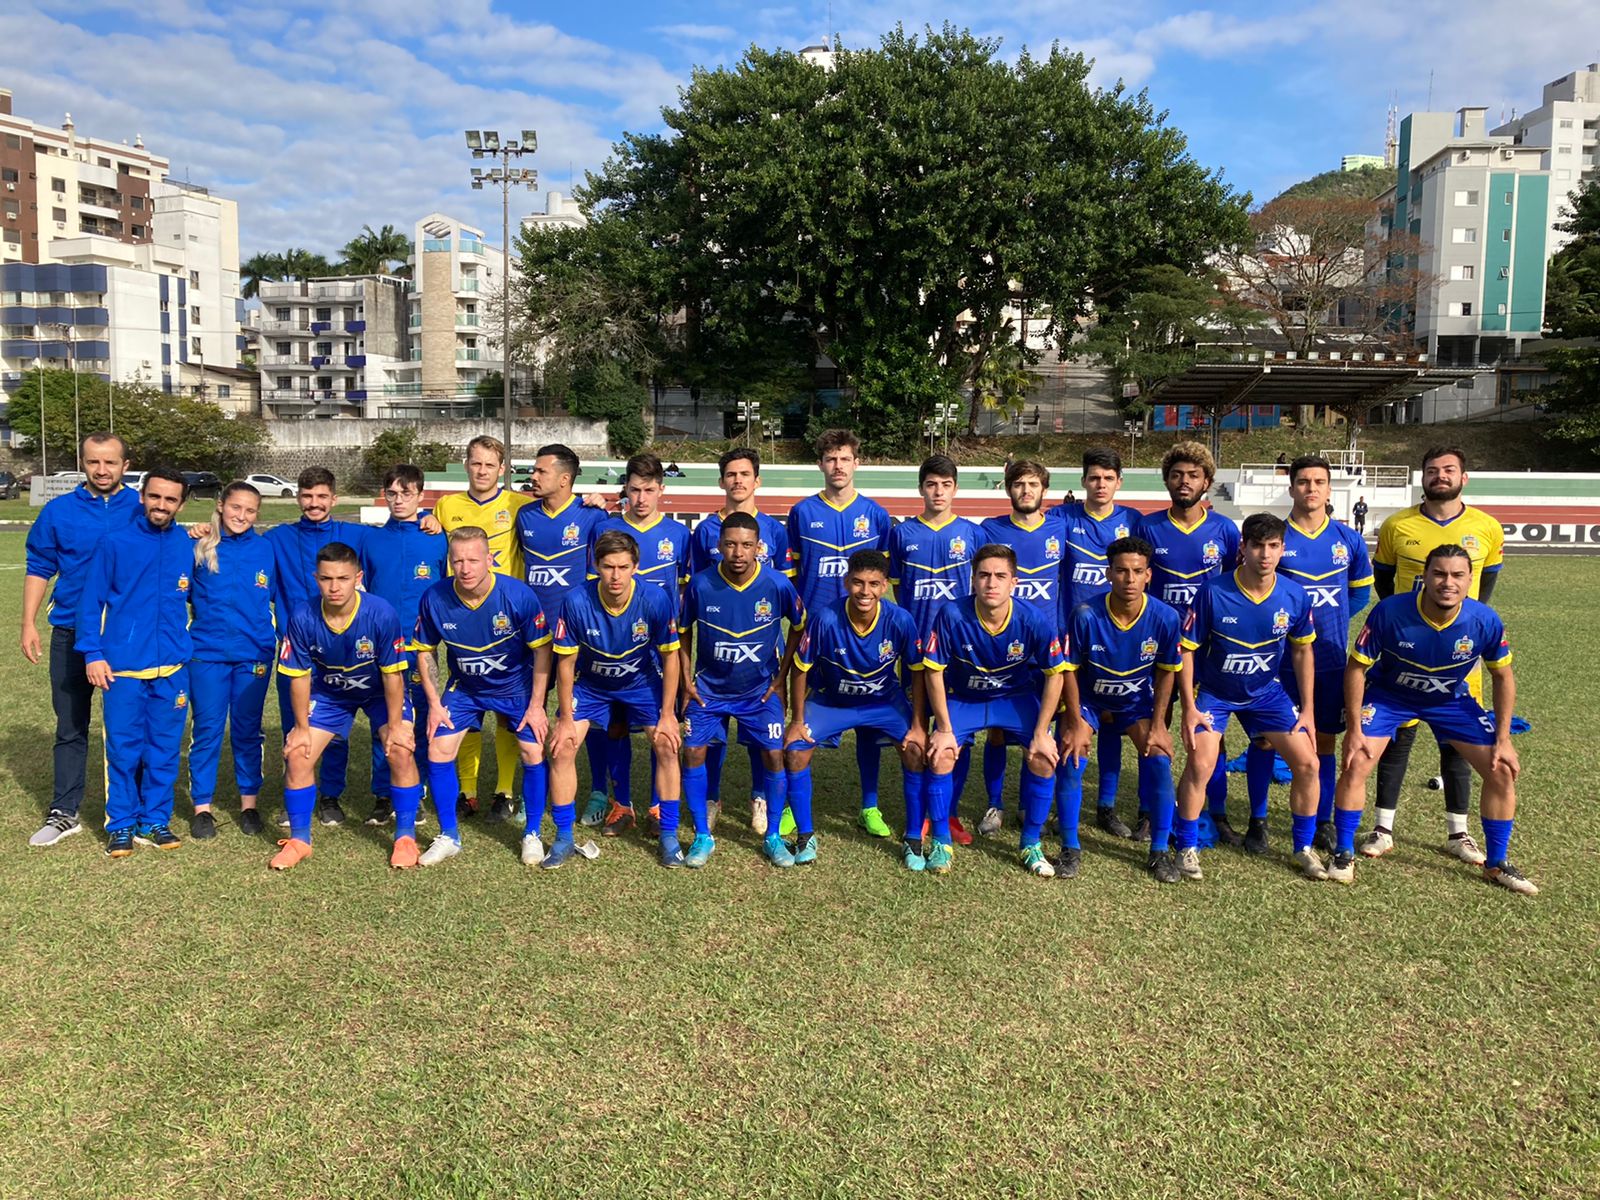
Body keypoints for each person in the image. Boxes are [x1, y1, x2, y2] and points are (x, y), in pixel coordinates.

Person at [1328, 545, 1533, 893]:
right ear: (1425, 576)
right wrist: (1356, 729)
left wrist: (1503, 739)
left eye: (1457, 575)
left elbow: (1504, 677)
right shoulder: (1390, 612)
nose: (1447, 582)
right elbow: (1357, 667)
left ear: (1470, 580)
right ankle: (1343, 852)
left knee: (1501, 770)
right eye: (1439, 573)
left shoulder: (1484, 620)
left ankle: (1497, 864)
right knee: (1356, 760)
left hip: (1450, 701)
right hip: (1390, 696)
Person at [1362, 446, 1505, 863]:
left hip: (1460, 656)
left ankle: (1459, 834)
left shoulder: (1487, 528)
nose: (1440, 476)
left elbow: (1486, 586)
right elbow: (1384, 583)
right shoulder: (1396, 525)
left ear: (1464, 477)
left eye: (1448, 470)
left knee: (1457, 747)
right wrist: (1410, 625)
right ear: (1421, 477)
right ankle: (1382, 827)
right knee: (1396, 741)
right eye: (1432, 471)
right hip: (1405, 652)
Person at [1174, 513, 1323, 882]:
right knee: (1201, 764)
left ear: (1283, 549)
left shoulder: (1294, 594)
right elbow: (1187, 649)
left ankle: (1303, 847)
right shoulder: (1213, 591)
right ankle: (1185, 847)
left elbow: (1303, 652)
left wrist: (1307, 710)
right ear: (1243, 548)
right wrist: (1190, 707)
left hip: (1267, 694)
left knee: (1308, 764)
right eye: (1257, 545)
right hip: (1216, 694)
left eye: (1273, 546)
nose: (1265, 554)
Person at [1242, 456, 1372, 855]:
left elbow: (1360, 592)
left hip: (1330, 659)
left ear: (1330, 488)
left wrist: (1323, 625)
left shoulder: (1347, 540)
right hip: (1279, 661)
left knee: (1325, 742)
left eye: (1319, 481)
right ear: (1291, 487)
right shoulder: (1277, 538)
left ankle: (1322, 821)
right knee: (1265, 741)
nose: (1311, 488)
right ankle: (1258, 821)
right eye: (1303, 481)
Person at [271, 542, 422, 871]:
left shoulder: (380, 613)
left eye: (342, 578)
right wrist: (299, 728)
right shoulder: (302, 615)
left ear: (358, 577)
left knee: (398, 748)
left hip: (380, 692)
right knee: (298, 753)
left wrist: (396, 726)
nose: (334, 586)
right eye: (326, 579)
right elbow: (297, 677)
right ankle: (299, 841)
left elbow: (394, 675)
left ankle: (406, 836)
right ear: (316, 578)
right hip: (331, 694)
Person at [22, 432, 140, 847]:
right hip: (71, 631)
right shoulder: (59, 512)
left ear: (125, 464)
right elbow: (39, 566)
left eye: (110, 462)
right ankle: (64, 812)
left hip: (126, 636)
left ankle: (136, 809)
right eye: (94, 462)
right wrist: (28, 623)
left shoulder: (143, 507)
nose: (102, 470)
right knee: (71, 725)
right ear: (83, 463)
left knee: (129, 726)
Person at [922, 544, 1069, 877]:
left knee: (1044, 758)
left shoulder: (1032, 618)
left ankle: (1031, 843)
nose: (992, 583)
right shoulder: (951, 615)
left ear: (1013, 582)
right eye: (984, 575)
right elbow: (933, 671)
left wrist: (1042, 732)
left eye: (1000, 576)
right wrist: (943, 727)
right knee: (942, 753)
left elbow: (1055, 674)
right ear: (973, 580)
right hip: (965, 698)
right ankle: (942, 842)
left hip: (1013, 698)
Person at [413, 528, 553, 868]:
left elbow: (543, 650)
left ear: (490, 559)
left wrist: (536, 706)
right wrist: (434, 704)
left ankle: (532, 833)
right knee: (438, 746)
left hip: (515, 686)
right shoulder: (434, 597)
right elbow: (425, 651)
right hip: (466, 688)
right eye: (457, 560)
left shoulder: (517, 596)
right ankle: (449, 836)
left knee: (532, 748)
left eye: (473, 559)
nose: (465, 568)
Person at [76, 466, 195, 857]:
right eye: (155, 496)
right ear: (142, 496)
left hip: (173, 669)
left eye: (170, 499)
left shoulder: (185, 543)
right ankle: (121, 823)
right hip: (123, 669)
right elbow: (90, 603)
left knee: (163, 748)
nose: (162, 505)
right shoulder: (115, 543)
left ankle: (154, 819)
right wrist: (93, 654)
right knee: (124, 750)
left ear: (181, 503)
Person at [677, 512, 805, 868]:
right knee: (693, 752)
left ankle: (774, 836)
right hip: (709, 690)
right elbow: (682, 631)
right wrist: (686, 679)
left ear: (758, 548)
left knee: (773, 755)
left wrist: (780, 677)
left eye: (746, 545)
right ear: (718, 546)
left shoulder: (778, 585)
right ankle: (703, 834)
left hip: (760, 691)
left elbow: (798, 627)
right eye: (730, 544)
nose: (738, 552)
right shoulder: (701, 585)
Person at [549, 531, 684, 867]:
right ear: (596, 566)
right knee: (562, 746)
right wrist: (565, 718)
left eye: (623, 567)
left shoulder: (655, 600)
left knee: (667, 743)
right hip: (592, 685)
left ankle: (668, 836)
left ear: (635, 567)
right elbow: (565, 663)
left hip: (640, 682)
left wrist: (668, 714)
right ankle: (563, 838)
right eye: (608, 566)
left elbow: (671, 657)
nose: (615, 575)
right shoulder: (576, 600)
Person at [784, 549, 926, 866]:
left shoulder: (900, 620)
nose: (865, 591)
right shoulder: (825, 618)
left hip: (883, 702)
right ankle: (805, 836)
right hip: (833, 701)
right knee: (795, 749)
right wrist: (797, 720)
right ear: (847, 581)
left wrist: (917, 724)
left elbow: (916, 672)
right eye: (858, 582)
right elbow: (801, 668)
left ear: (885, 585)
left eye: (874, 584)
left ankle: (914, 838)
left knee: (916, 750)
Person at [785, 429, 893, 839]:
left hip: (863, 636)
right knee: (804, 720)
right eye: (831, 459)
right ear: (821, 465)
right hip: (818, 632)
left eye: (845, 458)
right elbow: (794, 575)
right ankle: (795, 808)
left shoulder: (876, 515)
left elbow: (881, 580)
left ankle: (869, 805)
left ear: (856, 463)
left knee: (868, 720)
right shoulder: (801, 512)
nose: (838, 466)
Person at [1058, 537, 1184, 882]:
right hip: (1090, 701)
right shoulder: (1085, 614)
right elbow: (1069, 668)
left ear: (1148, 576)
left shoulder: (1165, 617)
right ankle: (1069, 847)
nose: (1129, 579)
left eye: (1137, 571)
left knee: (1158, 757)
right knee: (1071, 756)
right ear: (1108, 573)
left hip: (1135, 703)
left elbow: (1167, 671)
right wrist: (1072, 719)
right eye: (1121, 571)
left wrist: (1158, 724)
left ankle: (1159, 851)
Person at [1134, 442, 1241, 842]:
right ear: (1167, 480)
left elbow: (1233, 584)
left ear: (1207, 482)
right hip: (1157, 645)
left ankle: (1217, 811)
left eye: (1193, 475)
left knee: (1212, 729)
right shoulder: (1148, 527)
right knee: (1153, 726)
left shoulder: (1225, 530)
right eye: (1177, 475)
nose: (1184, 482)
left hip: (1210, 647)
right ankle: (1149, 810)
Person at [584, 452, 693, 837]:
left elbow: (685, 597)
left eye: (649, 490)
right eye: (634, 489)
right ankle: (621, 802)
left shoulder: (680, 535)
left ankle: (658, 807)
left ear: (661, 490)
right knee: (614, 726)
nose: (642, 498)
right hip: (612, 647)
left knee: (661, 729)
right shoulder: (606, 529)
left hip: (660, 650)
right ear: (624, 490)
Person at [688, 447, 792, 833]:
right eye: (730, 474)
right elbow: (703, 588)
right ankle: (712, 798)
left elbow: (780, 587)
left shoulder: (774, 530)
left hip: (761, 646)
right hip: (717, 649)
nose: (737, 480)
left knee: (760, 734)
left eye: (744, 474)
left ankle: (760, 797)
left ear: (756, 480)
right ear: (721, 482)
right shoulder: (704, 531)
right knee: (710, 736)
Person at [428, 436, 530, 822]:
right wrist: (428, 519)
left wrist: (590, 501)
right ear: (466, 465)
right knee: (464, 710)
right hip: (463, 620)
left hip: (508, 622)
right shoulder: (447, 506)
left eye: (489, 464)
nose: (482, 471)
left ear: (501, 468)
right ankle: (466, 791)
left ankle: (504, 791)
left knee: (507, 712)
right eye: (475, 463)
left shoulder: (519, 506)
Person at [265, 467, 369, 825]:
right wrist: (207, 527)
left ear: (333, 499)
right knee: (297, 725)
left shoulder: (354, 534)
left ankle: (330, 797)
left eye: (321, 496)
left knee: (335, 731)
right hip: (296, 652)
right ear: (298, 498)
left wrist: (426, 519)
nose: (314, 503)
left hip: (340, 654)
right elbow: (237, 539)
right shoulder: (278, 538)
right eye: (307, 496)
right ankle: (294, 792)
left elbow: (395, 535)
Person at [886, 454, 981, 843]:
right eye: (931, 484)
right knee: (918, 728)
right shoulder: (903, 533)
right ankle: (921, 811)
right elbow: (895, 586)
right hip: (916, 651)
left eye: (945, 485)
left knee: (956, 731)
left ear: (955, 489)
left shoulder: (973, 535)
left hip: (959, 651)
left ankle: (950, 811)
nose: (938, 492)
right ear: (921, 488)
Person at [514, 443, 610, 827]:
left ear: (565, 478)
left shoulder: (591, 517)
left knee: (590, 714)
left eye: (540, 471)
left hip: (578, 636)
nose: (533, 477)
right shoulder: (524, 515)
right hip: (532, 635)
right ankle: (530, 792)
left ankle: (599, 790)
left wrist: (607, 501)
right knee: (528, 712)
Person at [1054, 447, 1143, 840]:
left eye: (1108, 478)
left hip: (1120, 640)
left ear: (1119, 482)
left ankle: (1106, 806)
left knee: (1112, 723)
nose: (1101, 484)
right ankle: (1056, 807)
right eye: (1094, 478)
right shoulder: (1061, 518)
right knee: (1069, 722)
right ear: (1083, 481)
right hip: (1073, 639)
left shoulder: (1134, 521)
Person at [976, 459, 1066, 836]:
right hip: (1002, 647)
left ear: (1044, 489)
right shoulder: (990, 530)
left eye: (1033, 484)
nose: (1025, 490)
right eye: (1018, 484)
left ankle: (1033, 804)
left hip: (1046, 648)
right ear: (1008, 489)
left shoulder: (1062, 528)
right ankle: (995, 804)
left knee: (1043, 730)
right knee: (997, 730)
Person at [359, 464, 448, 827]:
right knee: (385, 722)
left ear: (420, 494)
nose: (398, 500)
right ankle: (383, 794)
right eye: (392, 493)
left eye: (406, 493)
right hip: (380, 650)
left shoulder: (438, 538)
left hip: (422, 648)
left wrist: (433, 520)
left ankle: (418, 791)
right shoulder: (371, 540)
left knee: (426, 720)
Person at [187, 481, 276, 838]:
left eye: (250, 510)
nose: (242, 515)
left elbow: (280, 597)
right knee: (207, 729)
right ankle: (202, 808)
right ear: (221, 505)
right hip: (206, 654)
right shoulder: (198, 545)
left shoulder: (267, 549)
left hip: (254, 655)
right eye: (236, 507)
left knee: (247, 729)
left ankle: (249, 805)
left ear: (257, 514)